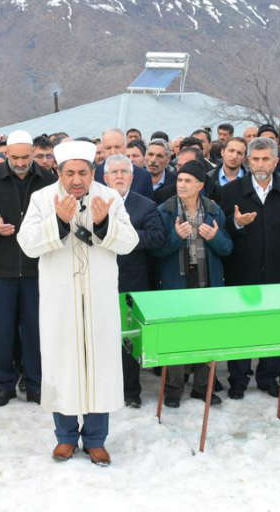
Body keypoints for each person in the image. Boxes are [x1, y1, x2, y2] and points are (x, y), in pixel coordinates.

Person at [17, 140, 138, 466]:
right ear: (58, 172)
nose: (76, 180)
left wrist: (102, 223)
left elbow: (130, 242)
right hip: (60, 302)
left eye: (82, 173)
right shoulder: (42, 199)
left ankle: (96, 439)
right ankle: (66, 438)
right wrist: (56, 220)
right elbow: (27, 243)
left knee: (100, 367)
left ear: (92, 172)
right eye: (69, 173)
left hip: (98, 301)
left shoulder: (109, 198)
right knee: (63, 366)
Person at [0, 130, 56, 407]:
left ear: (33, 153)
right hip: (0, 267)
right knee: (2, 330)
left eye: (25, 157)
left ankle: (34, 383)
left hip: (36, 268)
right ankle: (4, 384)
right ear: (6, 154)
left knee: (34, 330)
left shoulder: (48, 179)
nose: (20, 162)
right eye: (14, 157)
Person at [219, 137, 280, 399]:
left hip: (279, 271)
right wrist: (236, 224)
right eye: (256, 159)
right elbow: (222, 234)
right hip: (242, 272)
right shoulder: (230, 192)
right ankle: (238, 378)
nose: (260, 164)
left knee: (275, 326)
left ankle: (269, 376)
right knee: (242, 327)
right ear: (249, 161)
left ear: (276, 161)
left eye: (266, 159)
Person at [152, 160, 232, 408]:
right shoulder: (165, 210)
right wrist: (176, 238)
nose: (182, 185)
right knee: (176, 337)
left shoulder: (214, 210)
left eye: (188, 181)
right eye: (179, 180)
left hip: (206, 282)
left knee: (206, 335)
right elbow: (157, 252)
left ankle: (202, 387)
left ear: (200, 184)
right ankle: (173, 390)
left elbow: (227, 248)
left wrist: (215, 237)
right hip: (177, 282)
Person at [102, 154, 165, 408]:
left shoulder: (145, 205)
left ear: (132, 176)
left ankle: (130, 392)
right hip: (99, 282)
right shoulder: (92, 203)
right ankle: (103, 389)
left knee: (127, 341)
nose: (119, 176)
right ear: (105, 178)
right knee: (102, 338)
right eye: (114, 172)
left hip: (131, 283)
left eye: (124, 172)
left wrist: (122, 235)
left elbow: (156, 238)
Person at [95, 129, 154, 200]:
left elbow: (148, 207)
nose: (113, 152)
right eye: (108, 148)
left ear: (125, 147)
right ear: (103, 150)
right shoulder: (94, 175)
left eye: (117, 147)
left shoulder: (143, 176)